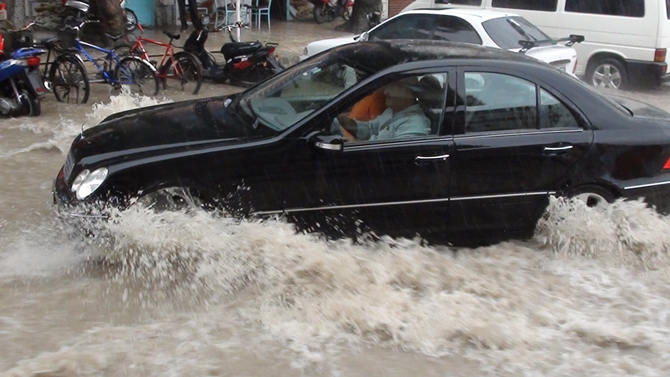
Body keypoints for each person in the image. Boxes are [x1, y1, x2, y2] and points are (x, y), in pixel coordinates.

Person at [333, 77, 431, 141]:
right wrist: (343, 120)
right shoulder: (390, 111)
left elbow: (395, 155)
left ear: (408, 93)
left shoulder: (415, 125)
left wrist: (355, 144)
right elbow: (370, 128)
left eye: (393, 88)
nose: (386, 92)